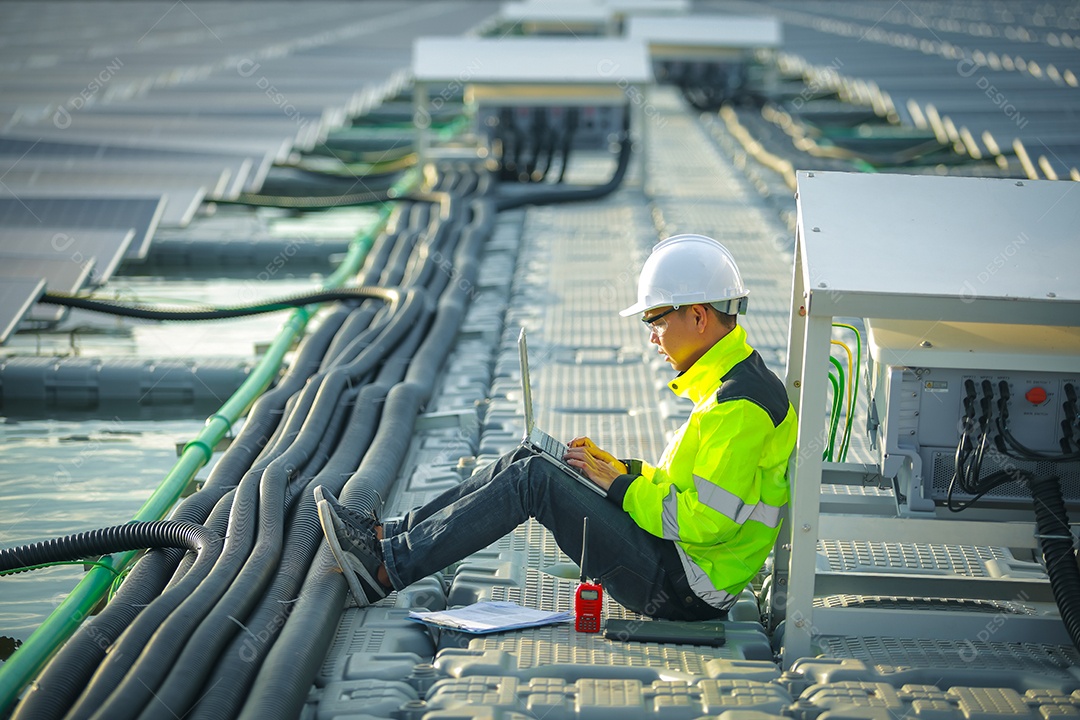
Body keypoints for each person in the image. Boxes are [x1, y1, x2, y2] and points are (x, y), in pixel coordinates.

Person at [315, 234, 797, 620]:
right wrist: (616, 469)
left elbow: (705, 523)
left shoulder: (737, 407)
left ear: (697, 316)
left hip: (683, 587)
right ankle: (387, 537)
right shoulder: (733, 386)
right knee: (534, 456)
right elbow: (691, 491)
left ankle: (384, 568)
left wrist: (622, 487)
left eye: (654, 320)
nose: (651, 336)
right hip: (677, 560)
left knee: (533, 480)